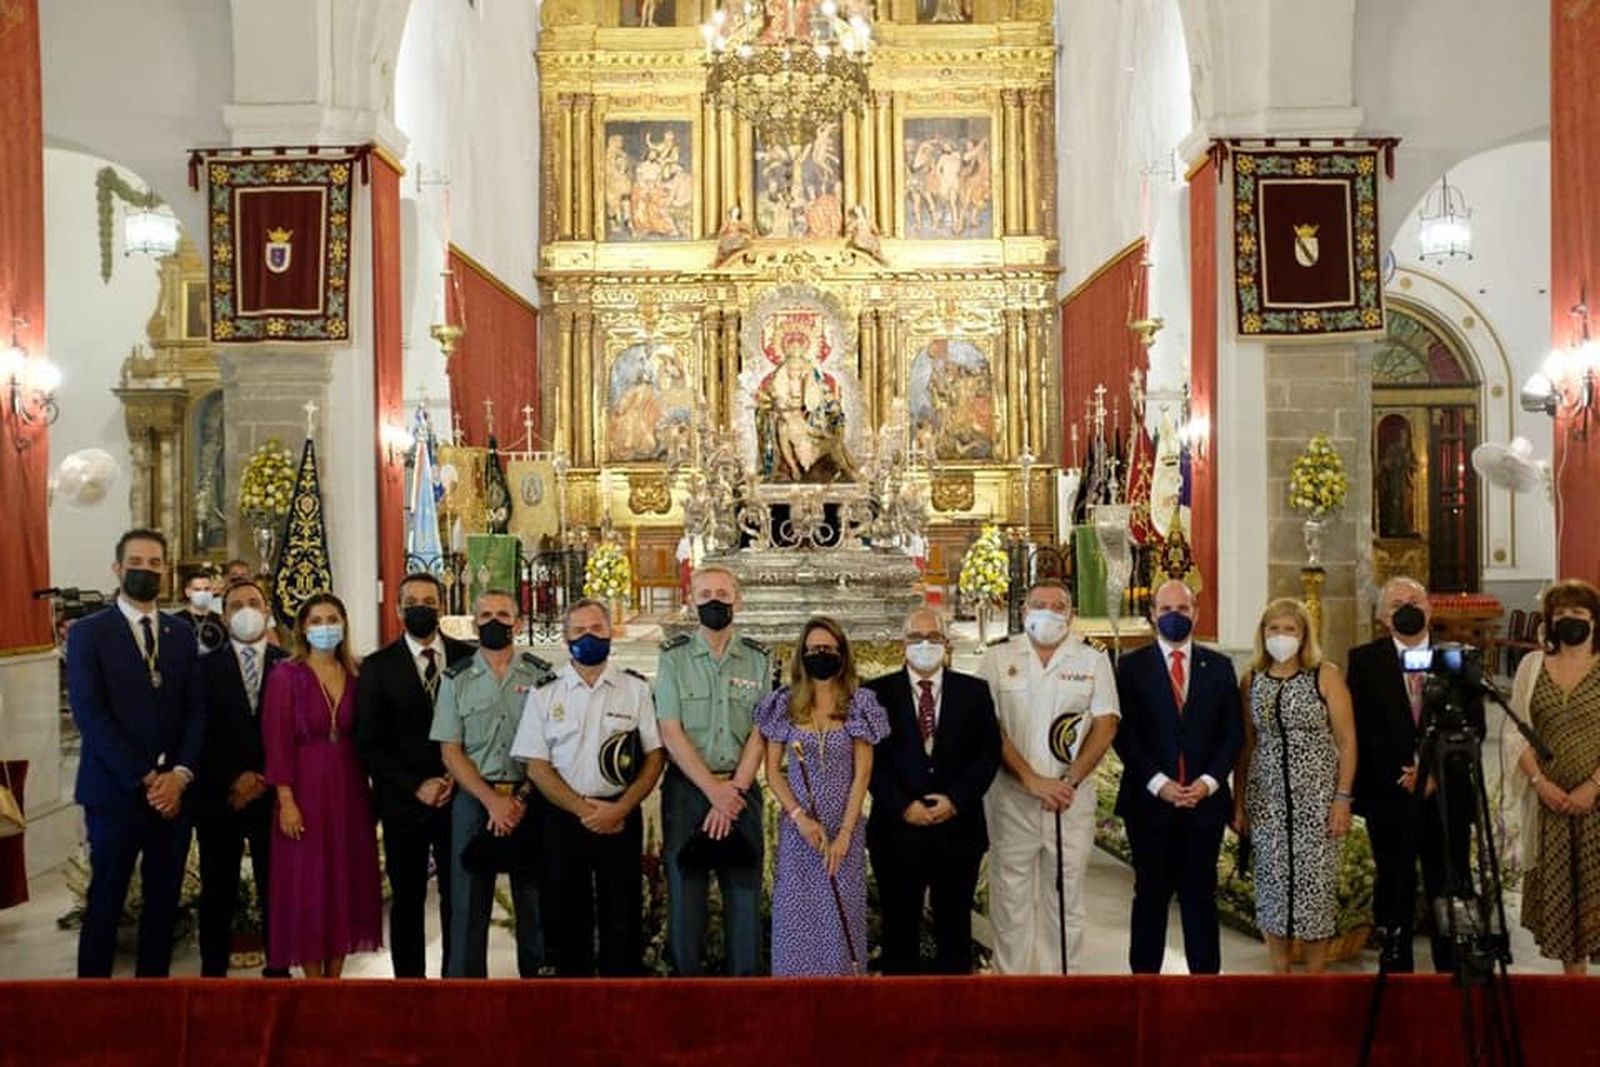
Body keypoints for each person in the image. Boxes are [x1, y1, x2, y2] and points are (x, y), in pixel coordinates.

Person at [68, 528, 204, 978]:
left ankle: (154, 998)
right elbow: (90, 715)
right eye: (136, 562)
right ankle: (93, 1003)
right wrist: (149, 778)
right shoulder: (89, 633)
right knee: (105, 901)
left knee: (163, 905)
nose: (145, 570)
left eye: (154, 563)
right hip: (115, 792)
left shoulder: (181, 633)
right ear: (117, 568)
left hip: (174, 796)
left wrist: (180, 775)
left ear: (164, 570)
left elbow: (194, 709)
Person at [512, 599, 665, 976]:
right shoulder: (545, 692)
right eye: (579, 630)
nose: (588, 637)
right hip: (564, 819)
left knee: (622, 920)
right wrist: (586, 810)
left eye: (597, 629)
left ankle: (622, 1012)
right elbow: (536, 764)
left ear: (611, 632)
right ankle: (572, 1012)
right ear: (565, 637)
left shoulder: (635, 689)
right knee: (566, 921)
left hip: (620, 816)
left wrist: (620, 809)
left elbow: (654, 757)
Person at [979, 580, 1118, 973]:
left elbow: (1106, 723)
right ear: (1024, 612)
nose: (1048, 612)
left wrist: (1068, 781)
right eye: (1039, 604)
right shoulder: (998, 657)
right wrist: (1031, 780)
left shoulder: (1091, 660)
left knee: (1066, 902)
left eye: (1058, 606)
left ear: (1071, 615)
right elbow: (989, 726)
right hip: (1011, 799)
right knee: (1010, 903)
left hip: (1069, 803)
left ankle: (1063, 991)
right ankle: (1013, 992)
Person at [1347, 575, 1479, 972]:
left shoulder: (1459, 660)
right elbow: (1361, 729)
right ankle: (1396, 968)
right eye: (1396, 604)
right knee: (1394, 881)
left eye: (1414, 600)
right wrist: (1401, 773)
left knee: (1451, 881)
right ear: (1383, 617)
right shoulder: (1364, 661)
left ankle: (1455, 966)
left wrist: (1432, 770)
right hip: (1390, 793)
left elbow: (1474, 727)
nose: (1406, 608)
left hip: (1447, 793)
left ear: (1430, 608)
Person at [1114, 578, 1242, 974]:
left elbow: (1233, 733)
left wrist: (1207, 782)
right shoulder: (1131, 667)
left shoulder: (1218, 667)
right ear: (1153, 614)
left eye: (1182, 610)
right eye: (1166, 609)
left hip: (1204, 804)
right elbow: (1124, 733)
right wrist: (1160, 784)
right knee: (1150, 894)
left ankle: (1206, 986)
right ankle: (1144, 987)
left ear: (1196, 614)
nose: (1174, 616)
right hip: (1149, 803)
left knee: (1200, 896)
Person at [866, 607, 1000, 974]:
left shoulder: (974, 692)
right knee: (899, 931)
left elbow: (988, 753)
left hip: (957, 832)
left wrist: (957, 800)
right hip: (896, 831)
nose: (925, 645)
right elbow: (868, 760)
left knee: (955, 931)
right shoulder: (876, 694)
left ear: (947, 643)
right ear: (902, 644)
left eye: (933, 638)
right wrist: (902, 805)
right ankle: (900, 1022)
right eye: (916, 638)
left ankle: (954, 1022)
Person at [654, 565, 774, 976]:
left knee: (744, 900)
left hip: (740, 791)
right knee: (686, 903)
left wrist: (734, 790)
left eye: (723, 593)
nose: (714, 602)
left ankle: (747, 1004)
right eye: (705, 594)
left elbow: (762, 729)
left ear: (738, 600)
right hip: (689, 792)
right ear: (692, 600)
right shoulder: (673, 659)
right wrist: (714, 793)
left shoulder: (758, 659)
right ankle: (688, 1000)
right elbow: (669, 729)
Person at [354, 572, 474, 978]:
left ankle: (455, 980)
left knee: (458, 897)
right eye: (412, 601)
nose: (421, 607)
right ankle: (409, 987)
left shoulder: (466, 658)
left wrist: (454, 777)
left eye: (429, 600)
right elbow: (369, 743)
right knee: (408, 898)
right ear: (398, 607)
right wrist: (414, 784)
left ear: (442, 606)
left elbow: (479, 728)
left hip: (459, 796)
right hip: (404, 800)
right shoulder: (377, 666)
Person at [430, 590, 554, 978]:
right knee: (468, 904)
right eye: (486, 615)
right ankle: (464, 1001)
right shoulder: (457, 679)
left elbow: (554, 744)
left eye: (503, 614)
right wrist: (490, 800)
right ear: (473, 624)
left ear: (518, 623)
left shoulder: (541, 675)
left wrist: (519, 799)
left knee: (535, 902)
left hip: (530, 795)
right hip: (475, 798)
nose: (494, 622)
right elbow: (450, 750)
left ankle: (539, 991)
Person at [755, 616, 888, 976]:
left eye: (828, 649)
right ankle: (794, 1007)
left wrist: (845, 833)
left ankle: (841, 1007)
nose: (820, 655)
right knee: (797, 919)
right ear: (802, 655)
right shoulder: (784, 704)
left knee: (840, 919)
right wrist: (799, 816)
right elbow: (772, 771)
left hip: (843, 829)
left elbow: (863, 772)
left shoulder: (859, 703)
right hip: (801, 832)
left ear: (842, 654)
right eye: (813, 649)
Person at [1232, 598, 1357, 974]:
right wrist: (1240, 804)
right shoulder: (1252, 679)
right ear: (1263, 633)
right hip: (1267, 800)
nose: (1281, 636)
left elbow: (1348, 741)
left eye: (1290, 629)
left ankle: (1315, 979)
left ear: (1304, 635)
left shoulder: (1325, 675)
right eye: (1274, 629)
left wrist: (1342, 798)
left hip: (1317, 802)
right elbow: (1246, 745)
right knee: (1273, 893)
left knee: (1314, 892)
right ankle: (1280, 974)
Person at [262, 592, 384, 976]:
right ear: (302, 627)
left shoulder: (356, 672)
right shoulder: (286, 675)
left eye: (333, 618)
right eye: (316, 620)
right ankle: (314, 984)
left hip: (349, 791)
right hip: (304, 792)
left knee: (343, 883)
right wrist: (286, 798)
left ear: (344, 625)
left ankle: (335, 980)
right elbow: (276, 740)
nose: (325, 627)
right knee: (308, 886)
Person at [195, 579, 290, 977]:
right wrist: (233, 778)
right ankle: (213, 977)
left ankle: (278, 969)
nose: (246, 610)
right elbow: (197, 731)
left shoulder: (289, 664)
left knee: (277, 888)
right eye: (237, 605)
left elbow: (294, 732)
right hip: (221, 796)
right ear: (224, 614)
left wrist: (264, 777)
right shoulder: (202, 666)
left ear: (267, 610)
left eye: (254, 603)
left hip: (273, 795)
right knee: (218, 889)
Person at [1509, 580, 1600, 973]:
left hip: (1596, 803)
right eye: (1561, 615)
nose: (1569, 621)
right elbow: (1516, 730)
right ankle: (1576, 998)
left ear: (1594, 621)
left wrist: (1592, 786)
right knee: (1567, 921)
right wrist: (1539, 783)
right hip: (1552, 807)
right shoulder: (1532, 667)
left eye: (1578, 615)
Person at [176, 570, 226, 653]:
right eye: (197, 589)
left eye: (207, 589)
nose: (203, 593)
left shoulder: (222, 620)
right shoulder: (176, 620)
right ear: (187, 592)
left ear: (212, 591)